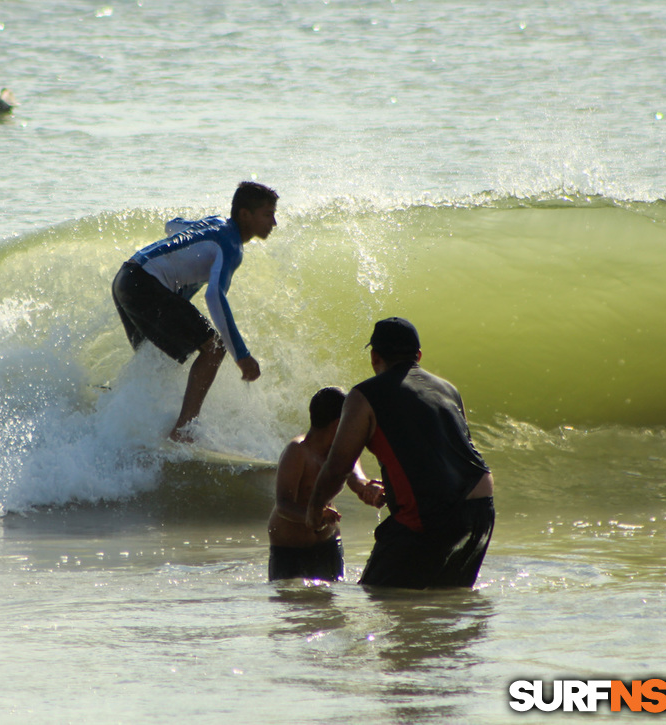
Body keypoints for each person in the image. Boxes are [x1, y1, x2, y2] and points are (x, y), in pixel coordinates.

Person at [306, 317, 495, 589]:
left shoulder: (364, 395)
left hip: (432, 511)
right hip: (482, 508)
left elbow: (338, 466)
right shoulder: (448, 389)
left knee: (377, 593)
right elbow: (455, 452)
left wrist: (313, 511)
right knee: (443, 602)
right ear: (418, 355)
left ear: (374, 357)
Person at [111, 181, 278, 442]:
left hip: (125, 278)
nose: (274, 222)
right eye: (268, 214)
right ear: (245, 214)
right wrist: (241, 355)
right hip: (145, 284)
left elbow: (172, 225)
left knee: (156, 356)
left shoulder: (212, 224)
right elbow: (215, 295)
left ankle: (124, 407)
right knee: (214, 348)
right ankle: (183, 431)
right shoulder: (231, 245)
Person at [268, 387, 384, 582]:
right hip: (289, 549)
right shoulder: (297, 451)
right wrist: (312, 514)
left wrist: (369, 489)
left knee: (331, 610)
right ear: (340, 423)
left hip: (327, 543)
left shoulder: (342, 450)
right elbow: (283, 505)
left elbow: (357, 479)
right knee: (292, 609)